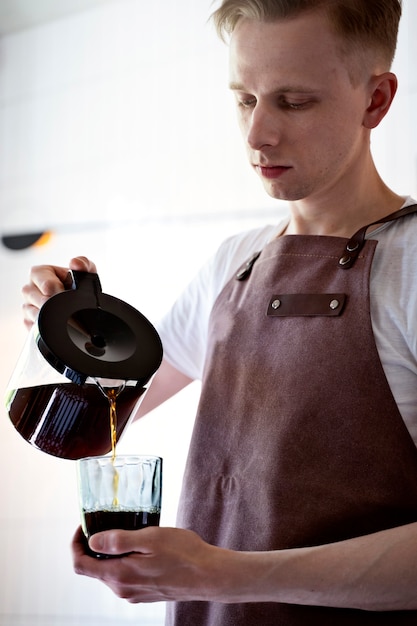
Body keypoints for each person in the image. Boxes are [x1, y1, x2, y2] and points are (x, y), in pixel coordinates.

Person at [22, 0, 417, 624]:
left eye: (293, 101)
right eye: (244, 98)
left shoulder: (413, 264)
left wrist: (226, 574)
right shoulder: (236, 262)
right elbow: (94, 423)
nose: (258, 134)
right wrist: (71, 337)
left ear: (376, 100)